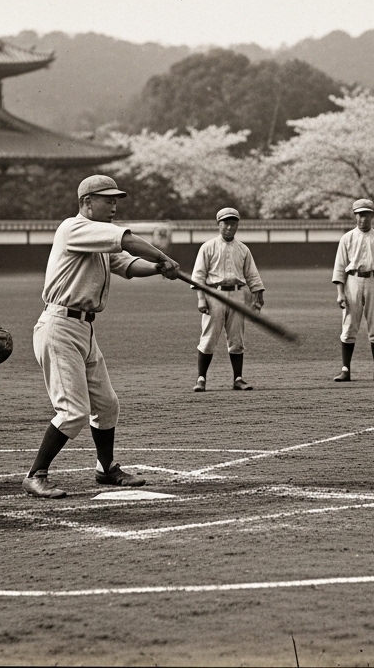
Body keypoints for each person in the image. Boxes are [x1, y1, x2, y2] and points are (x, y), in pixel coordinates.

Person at [22, 175, 181, 499]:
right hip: (59, 327)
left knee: (107, 405)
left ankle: (105, 468)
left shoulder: (98, 240)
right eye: (107, 200)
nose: (113, 206)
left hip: (83, 328)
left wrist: (158, 269)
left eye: (115, 200)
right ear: (86, 203)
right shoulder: (74, 228)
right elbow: (127, 240)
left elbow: (128, 265)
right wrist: (162, 257)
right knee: (73, 412)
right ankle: (35, 475)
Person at [191, 207, 265, 392]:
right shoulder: (208, 247)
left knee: (237, 339)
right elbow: (198, 276)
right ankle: (201, 379)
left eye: (233, 223)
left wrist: (258, 298)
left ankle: (238, 379)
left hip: (238, 295)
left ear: (237, 225)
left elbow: (252, 276)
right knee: (208, 338)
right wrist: (201, 298)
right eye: (226, 223)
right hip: (214, 294)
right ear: (219, 224)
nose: (230, 227)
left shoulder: (243, 249)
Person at [331, 199, 374, 382]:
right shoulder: (347, 238)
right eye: (360, 214)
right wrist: (340, 293)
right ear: (355, 215)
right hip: (352, 281)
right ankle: (345, 369)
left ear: (372, 215)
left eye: (366, 214)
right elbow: (339, 267)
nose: (363, 218)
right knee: (349, 326)